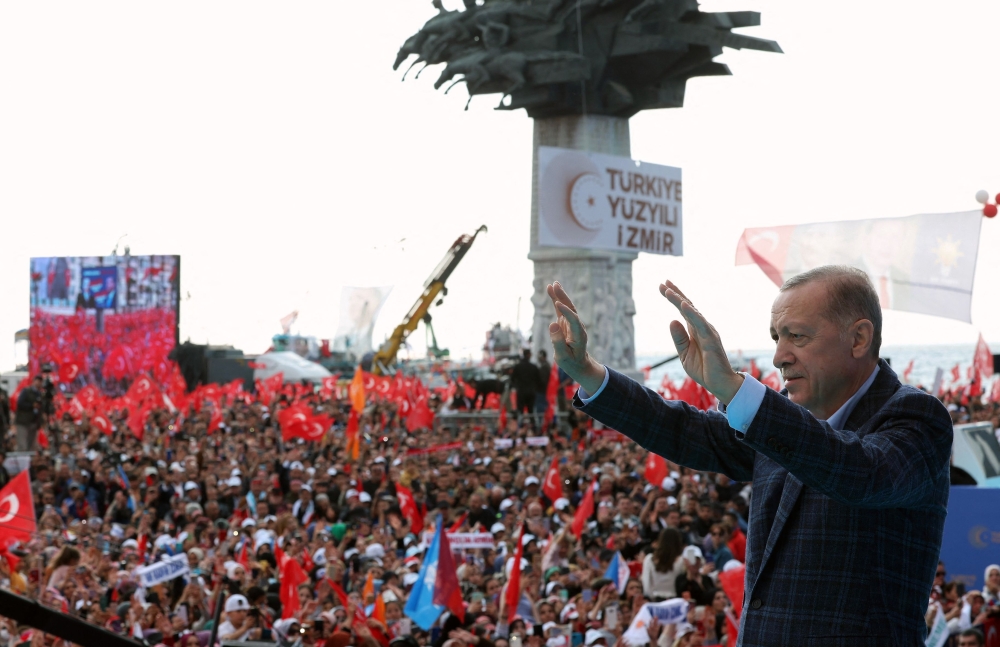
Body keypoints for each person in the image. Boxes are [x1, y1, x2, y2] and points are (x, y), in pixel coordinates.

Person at [546, 266, 953, 645]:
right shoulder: (779, 421)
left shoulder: (916, 418)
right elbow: (685, 429)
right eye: (777, 337)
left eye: (798, 336)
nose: (779, 356)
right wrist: (590, 375)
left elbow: (861, 473)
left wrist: (737, 391)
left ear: (858, 338)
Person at [641, 528, 685, 601]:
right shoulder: (681, 561)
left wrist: (650, 599)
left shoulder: (649, 559)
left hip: (656, 599)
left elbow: (646, 584)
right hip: (673, 599)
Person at [14, 375, 44, 452]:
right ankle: (21, 461)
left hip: (34, 422)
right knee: (22, 445)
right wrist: (31, 405)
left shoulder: (40, 394)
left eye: (40, 381)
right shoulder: (26, 391)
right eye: (37, 380)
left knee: (31, 445)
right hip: (23, 421)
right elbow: (20, 403)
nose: (39, 383)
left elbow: (41, 409)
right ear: (33, 381)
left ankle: (30, 462)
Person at [510, 349, 542, 418]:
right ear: (529, 355)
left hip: (521, 391)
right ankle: (533, 427)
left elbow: (512, 379)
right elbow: (539, 380)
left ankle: (520, 426)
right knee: (531, 411)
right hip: (531, 391)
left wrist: (517, 386)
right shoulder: (533, 367)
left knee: (520, 411)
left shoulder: (518, 367)